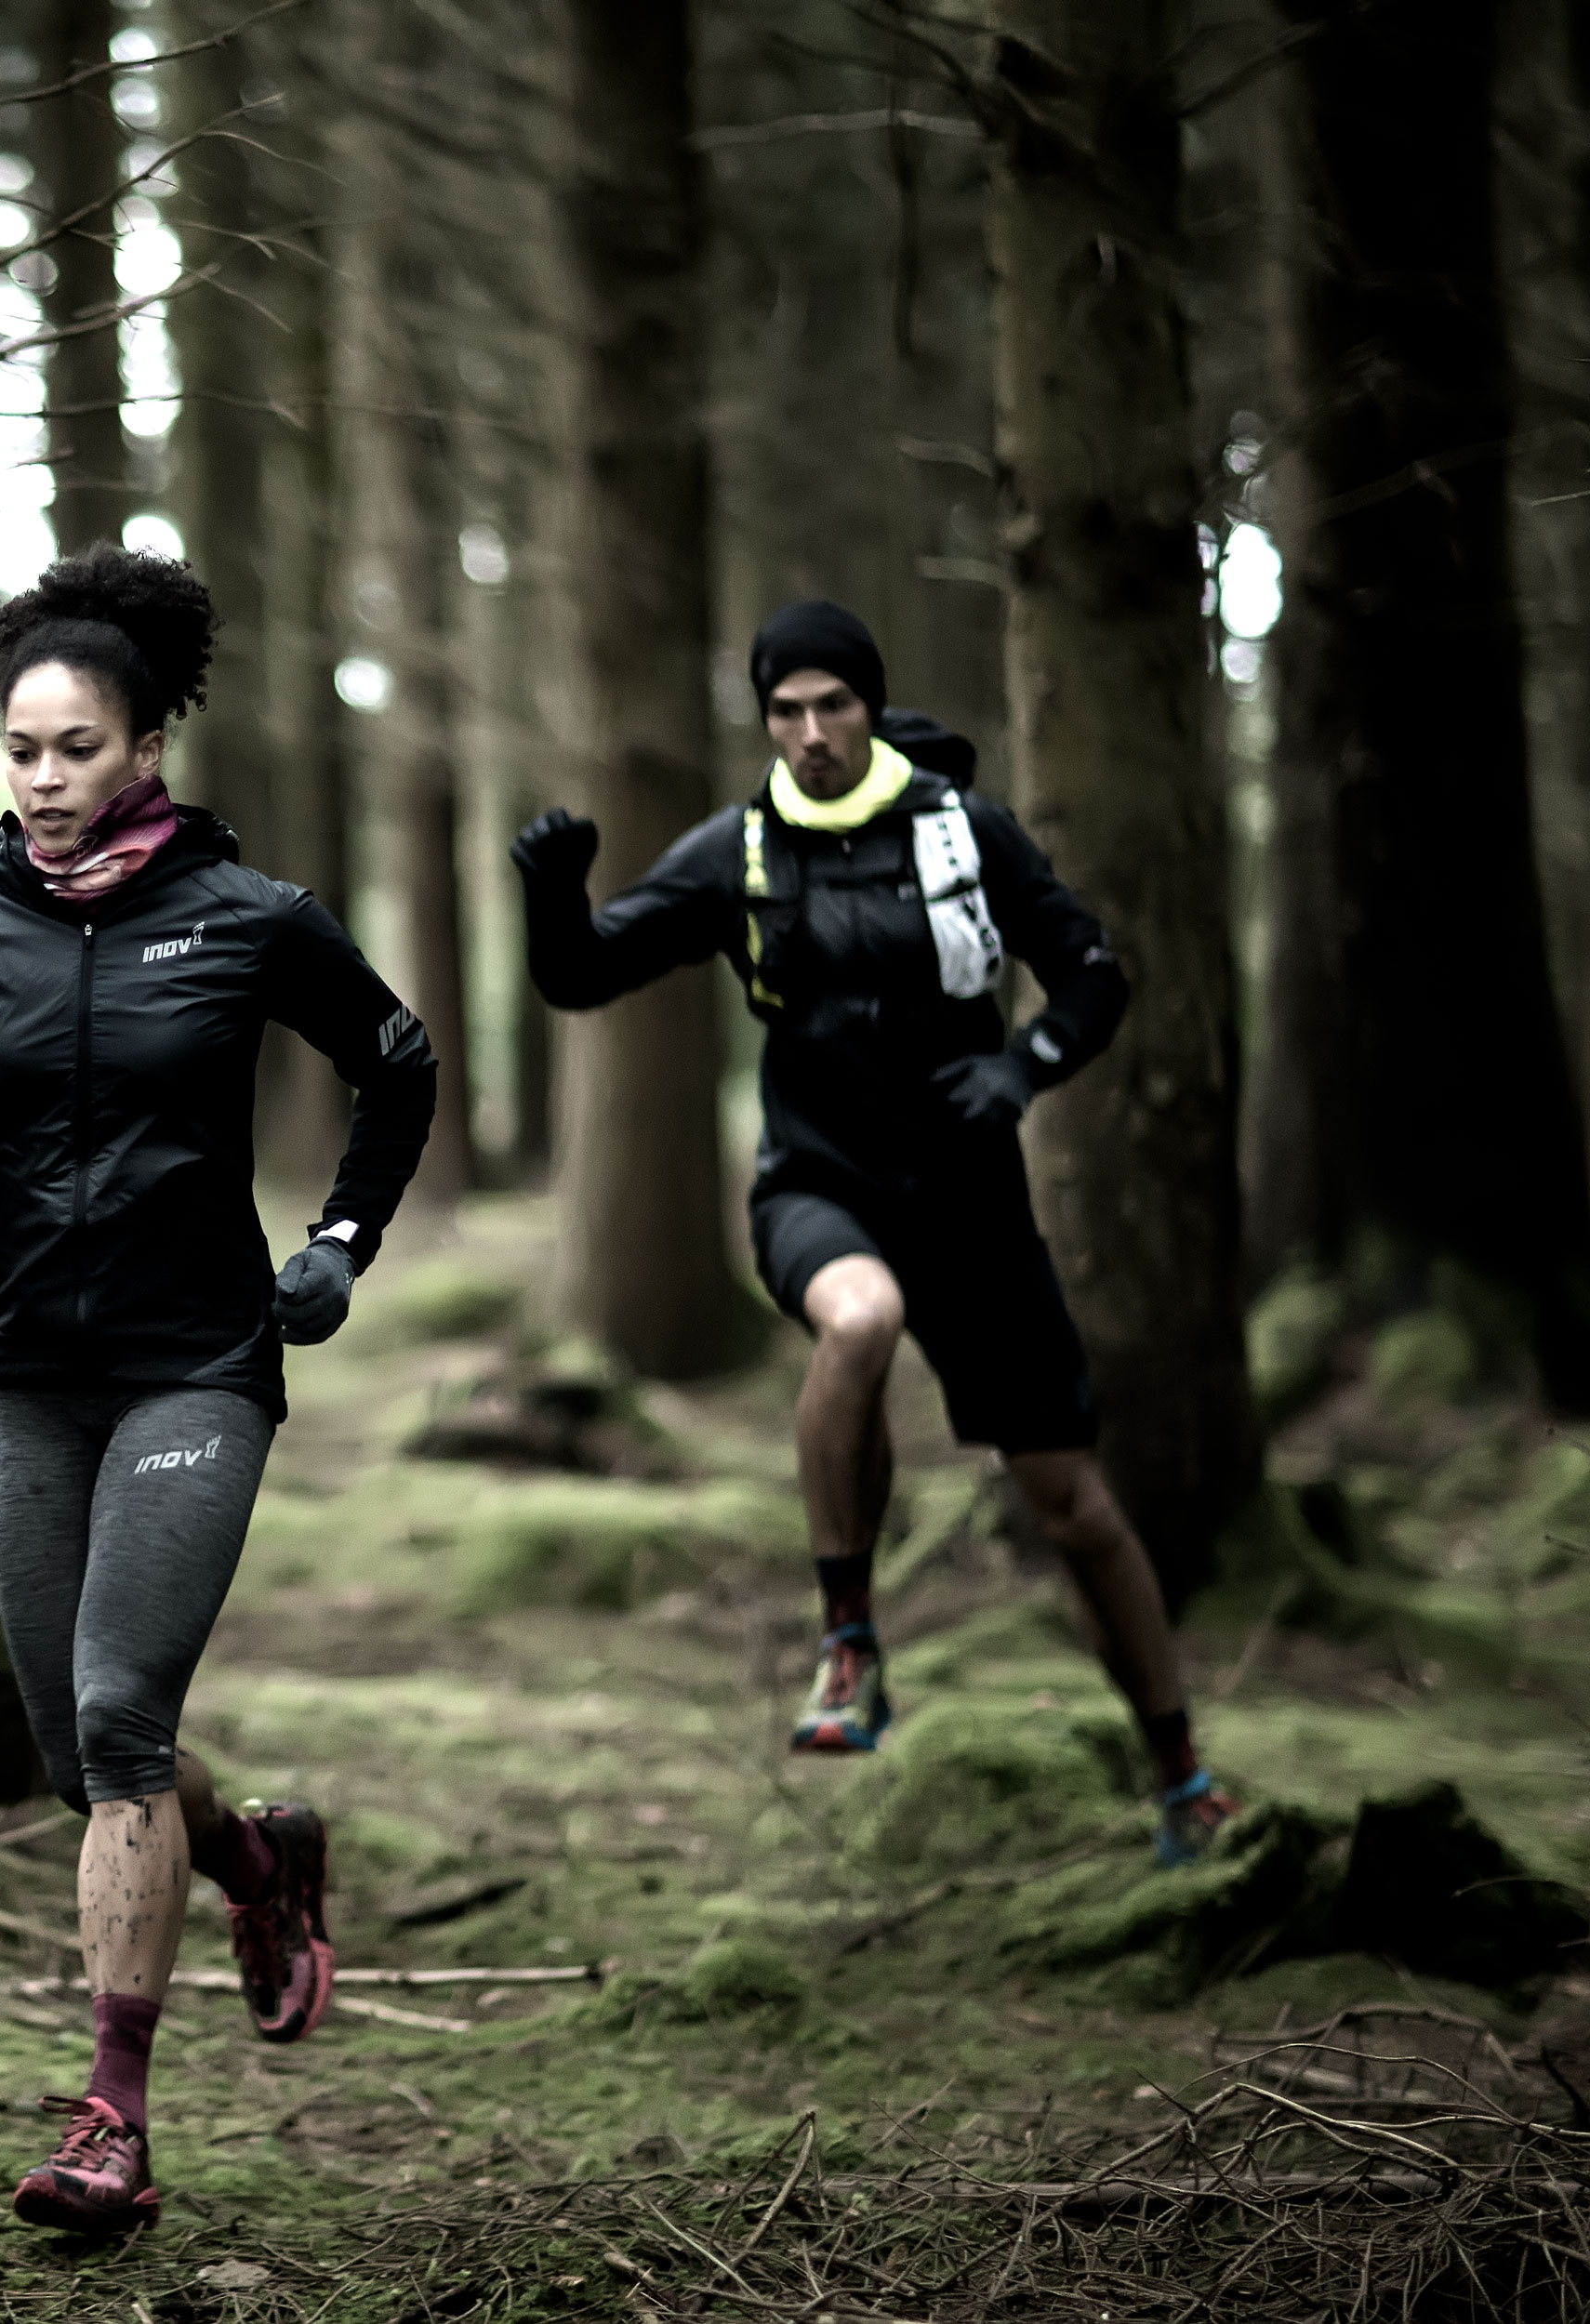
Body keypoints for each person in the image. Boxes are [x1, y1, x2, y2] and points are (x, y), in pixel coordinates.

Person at [0, 547, 437, 2237]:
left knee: (117, 1720)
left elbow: (396, 1065)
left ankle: (114, 2122)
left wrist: (343, 1243)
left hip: (199, 1368)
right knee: (81, 1757)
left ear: (147, 746)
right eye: (21, 748)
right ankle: (258, 1860)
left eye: (77, 748)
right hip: (36, 1372)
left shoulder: (248, 920)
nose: (43, 778)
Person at [509, 598, 1233, 1866]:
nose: (811, 733)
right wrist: (553, 897)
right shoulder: (738, 850)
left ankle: (1184, 1776)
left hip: (969, 1204)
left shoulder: (965, 831)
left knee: (1073, 1505)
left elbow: (1094, 973)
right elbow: (580, 977)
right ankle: (848, 1645)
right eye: (785, 712)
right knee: (861, 1319)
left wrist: (1024, 1067)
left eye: (832, 705)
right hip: (817, 1185)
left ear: (869, 706)